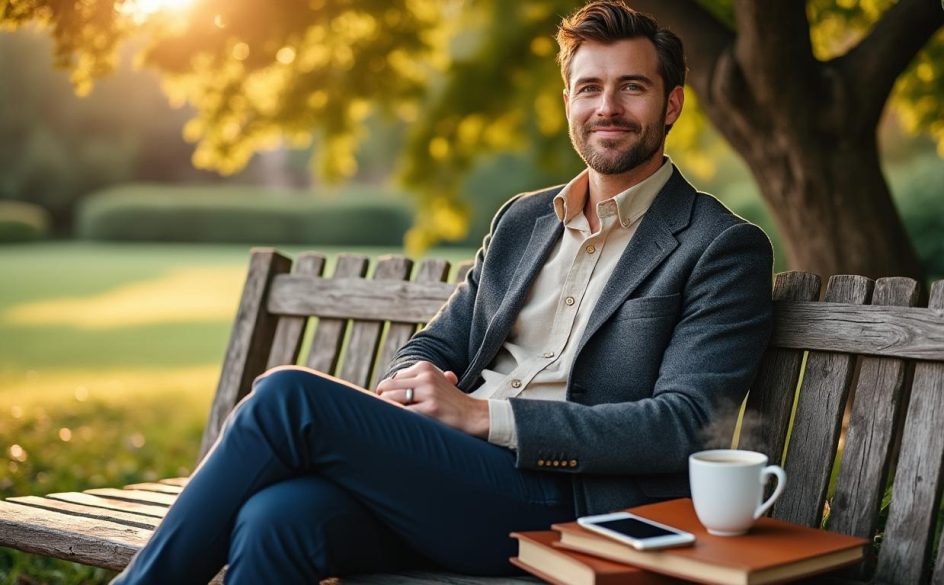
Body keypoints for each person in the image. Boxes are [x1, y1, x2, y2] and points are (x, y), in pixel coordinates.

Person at [111, 1, 773, 583]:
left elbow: (682, 423)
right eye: (589, 87)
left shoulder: (718, 246)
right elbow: (437, 341)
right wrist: (416, 382)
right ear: (568, 101)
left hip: (574, 505)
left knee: (288, 396)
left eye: (632, 88)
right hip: (452, 479)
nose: (607, 107)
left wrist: (484, 417)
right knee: (275, 516)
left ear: (672, 103)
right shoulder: (523, 221)